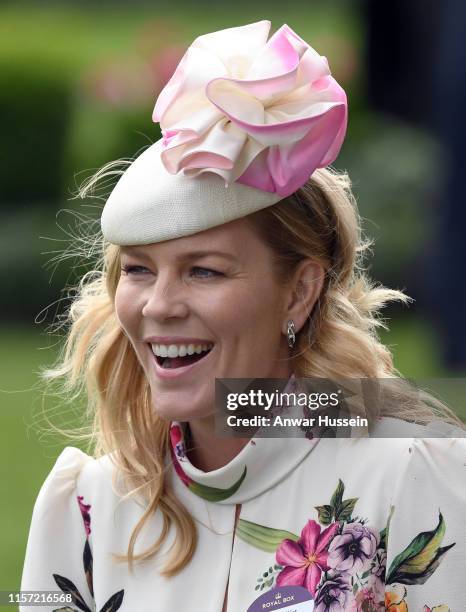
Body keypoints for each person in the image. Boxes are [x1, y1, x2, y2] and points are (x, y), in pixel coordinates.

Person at [20, 21, 465, 612]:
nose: (159, 306)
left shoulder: (416, 471)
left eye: (204, 271)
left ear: (299, 292)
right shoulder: (85, 506)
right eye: (138, 270)